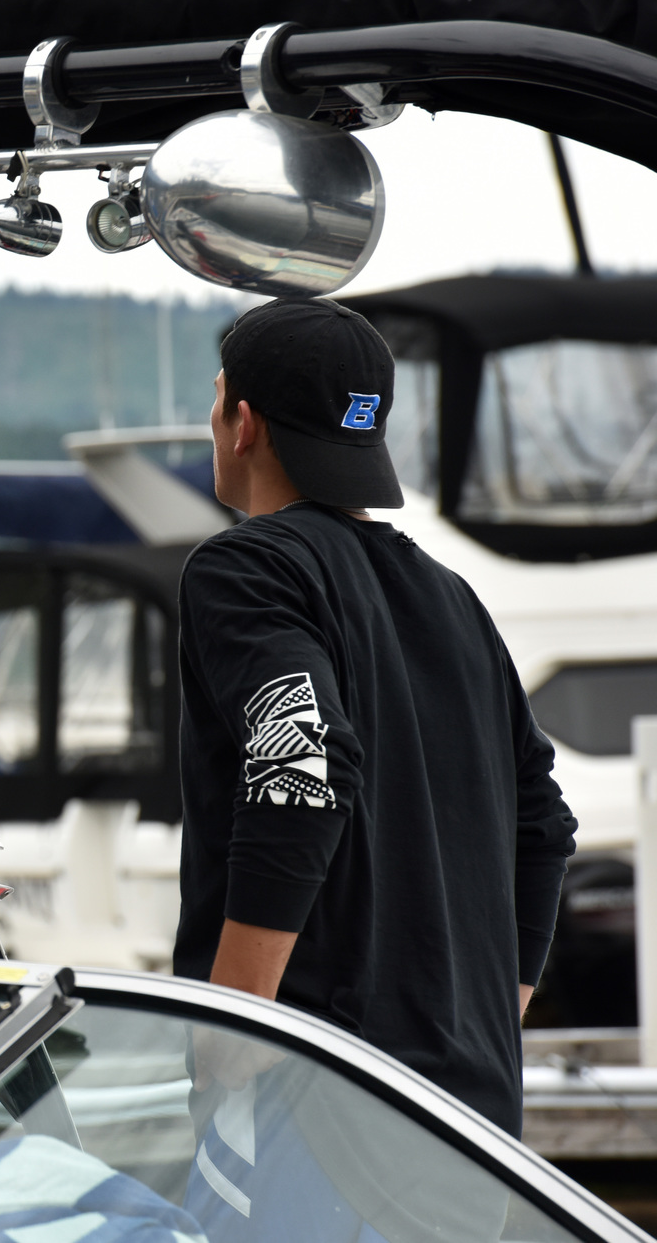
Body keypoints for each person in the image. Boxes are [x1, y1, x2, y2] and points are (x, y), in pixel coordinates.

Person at [172, 297, 578, 1136]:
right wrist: (491, 1024)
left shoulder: (245, 569)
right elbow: (543, 825)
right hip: (472, 1123)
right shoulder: (453, 598)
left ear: (242, 422)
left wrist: (235, 1028)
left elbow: (302, 768)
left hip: (316, 1107)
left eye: (218, 400)